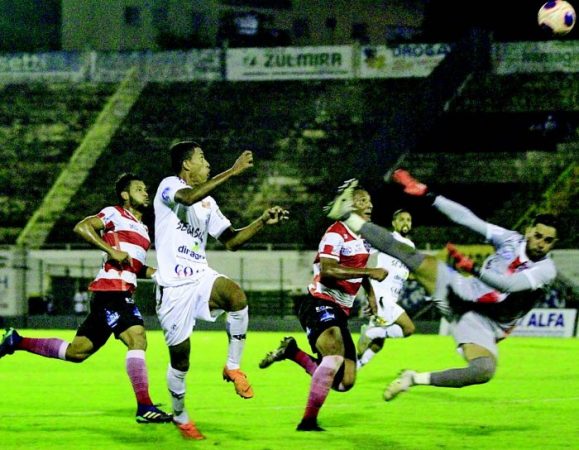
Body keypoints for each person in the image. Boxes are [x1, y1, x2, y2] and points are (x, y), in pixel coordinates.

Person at [325, 170, 559, 401]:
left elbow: (508, 285)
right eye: (538, 236)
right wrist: (429, 194)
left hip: (485, 325)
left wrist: (473, 268)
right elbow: (467, 219)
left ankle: (413, 378)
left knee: (484, 370)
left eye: (548, 241)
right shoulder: (510, 240)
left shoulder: (546, 270)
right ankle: (347, 216)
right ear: (529, 231)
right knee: (410, 254)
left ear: (554, 243)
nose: (541, 243)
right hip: (460, 291)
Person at [0, 173, 172, 424]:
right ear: (125, 195)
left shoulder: (144, 230)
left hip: (117, 291)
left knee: (76, 352)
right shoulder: (114, 213)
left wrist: (155, 273)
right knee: (137, 338)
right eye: (139, 188)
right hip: (112, 290)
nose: (146, 192)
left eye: (146, 189)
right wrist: (110, 250)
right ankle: (145, 407)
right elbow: (82, 227)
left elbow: (132, 265)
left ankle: (17, 341)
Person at [153, 140, 289, 440]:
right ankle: (179, 415)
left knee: (235, 296)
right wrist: (233, 171)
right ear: (186, 164)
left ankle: (233, 366)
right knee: (181, 361)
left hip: (200, 276)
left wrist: (262, 221)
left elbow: (232, 241)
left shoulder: (208, 203)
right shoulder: (169, 186)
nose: (208, 164)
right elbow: (188, 198)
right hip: (173, 288)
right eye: (202, 158)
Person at [259, 183, 387, 431]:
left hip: (341, 311)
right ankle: (308, 422)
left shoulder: (365, 238)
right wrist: (369, 272)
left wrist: (370, 294)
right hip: (319, 301)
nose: (370, 205)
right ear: (348, 205)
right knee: (334, 356)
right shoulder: (335, 233)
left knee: (345, 381)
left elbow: (358, 269)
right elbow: (328, 271)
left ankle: (292, 352)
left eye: (370, 200)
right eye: (362, 200)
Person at [357, 209, 416, 369]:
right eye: (401, 219)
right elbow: (365, 249)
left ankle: (356, 366)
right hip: (381, 295)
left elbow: (404, 269)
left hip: (391, 296)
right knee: (408, 328)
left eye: (408, 220)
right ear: (394, 223)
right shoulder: (387, 239)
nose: (405, 223)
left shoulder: (410, 245)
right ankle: (370, 333)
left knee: (378, 344)